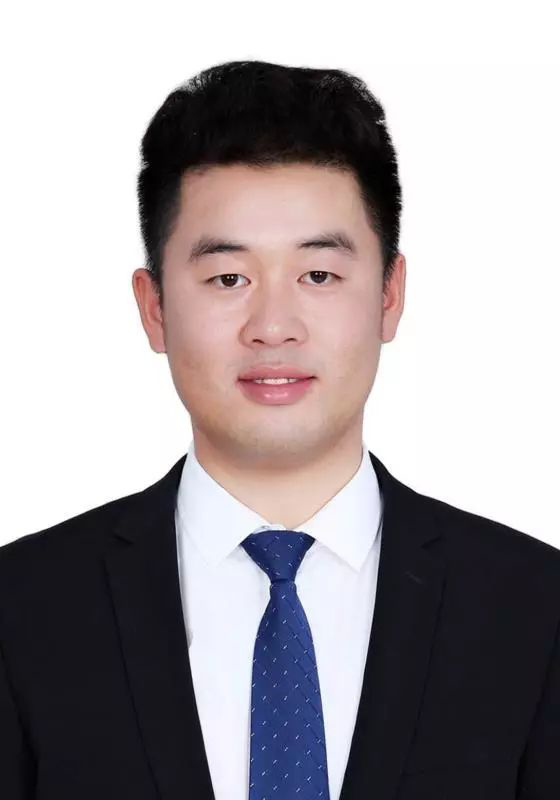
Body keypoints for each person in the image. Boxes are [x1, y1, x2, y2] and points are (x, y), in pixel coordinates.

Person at [1, 60, 558, 800]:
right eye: (228, 278)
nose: (272, 327)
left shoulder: (534, 609)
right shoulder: (23, 610)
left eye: (318, 275)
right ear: (154, 308)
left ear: (389, 296)